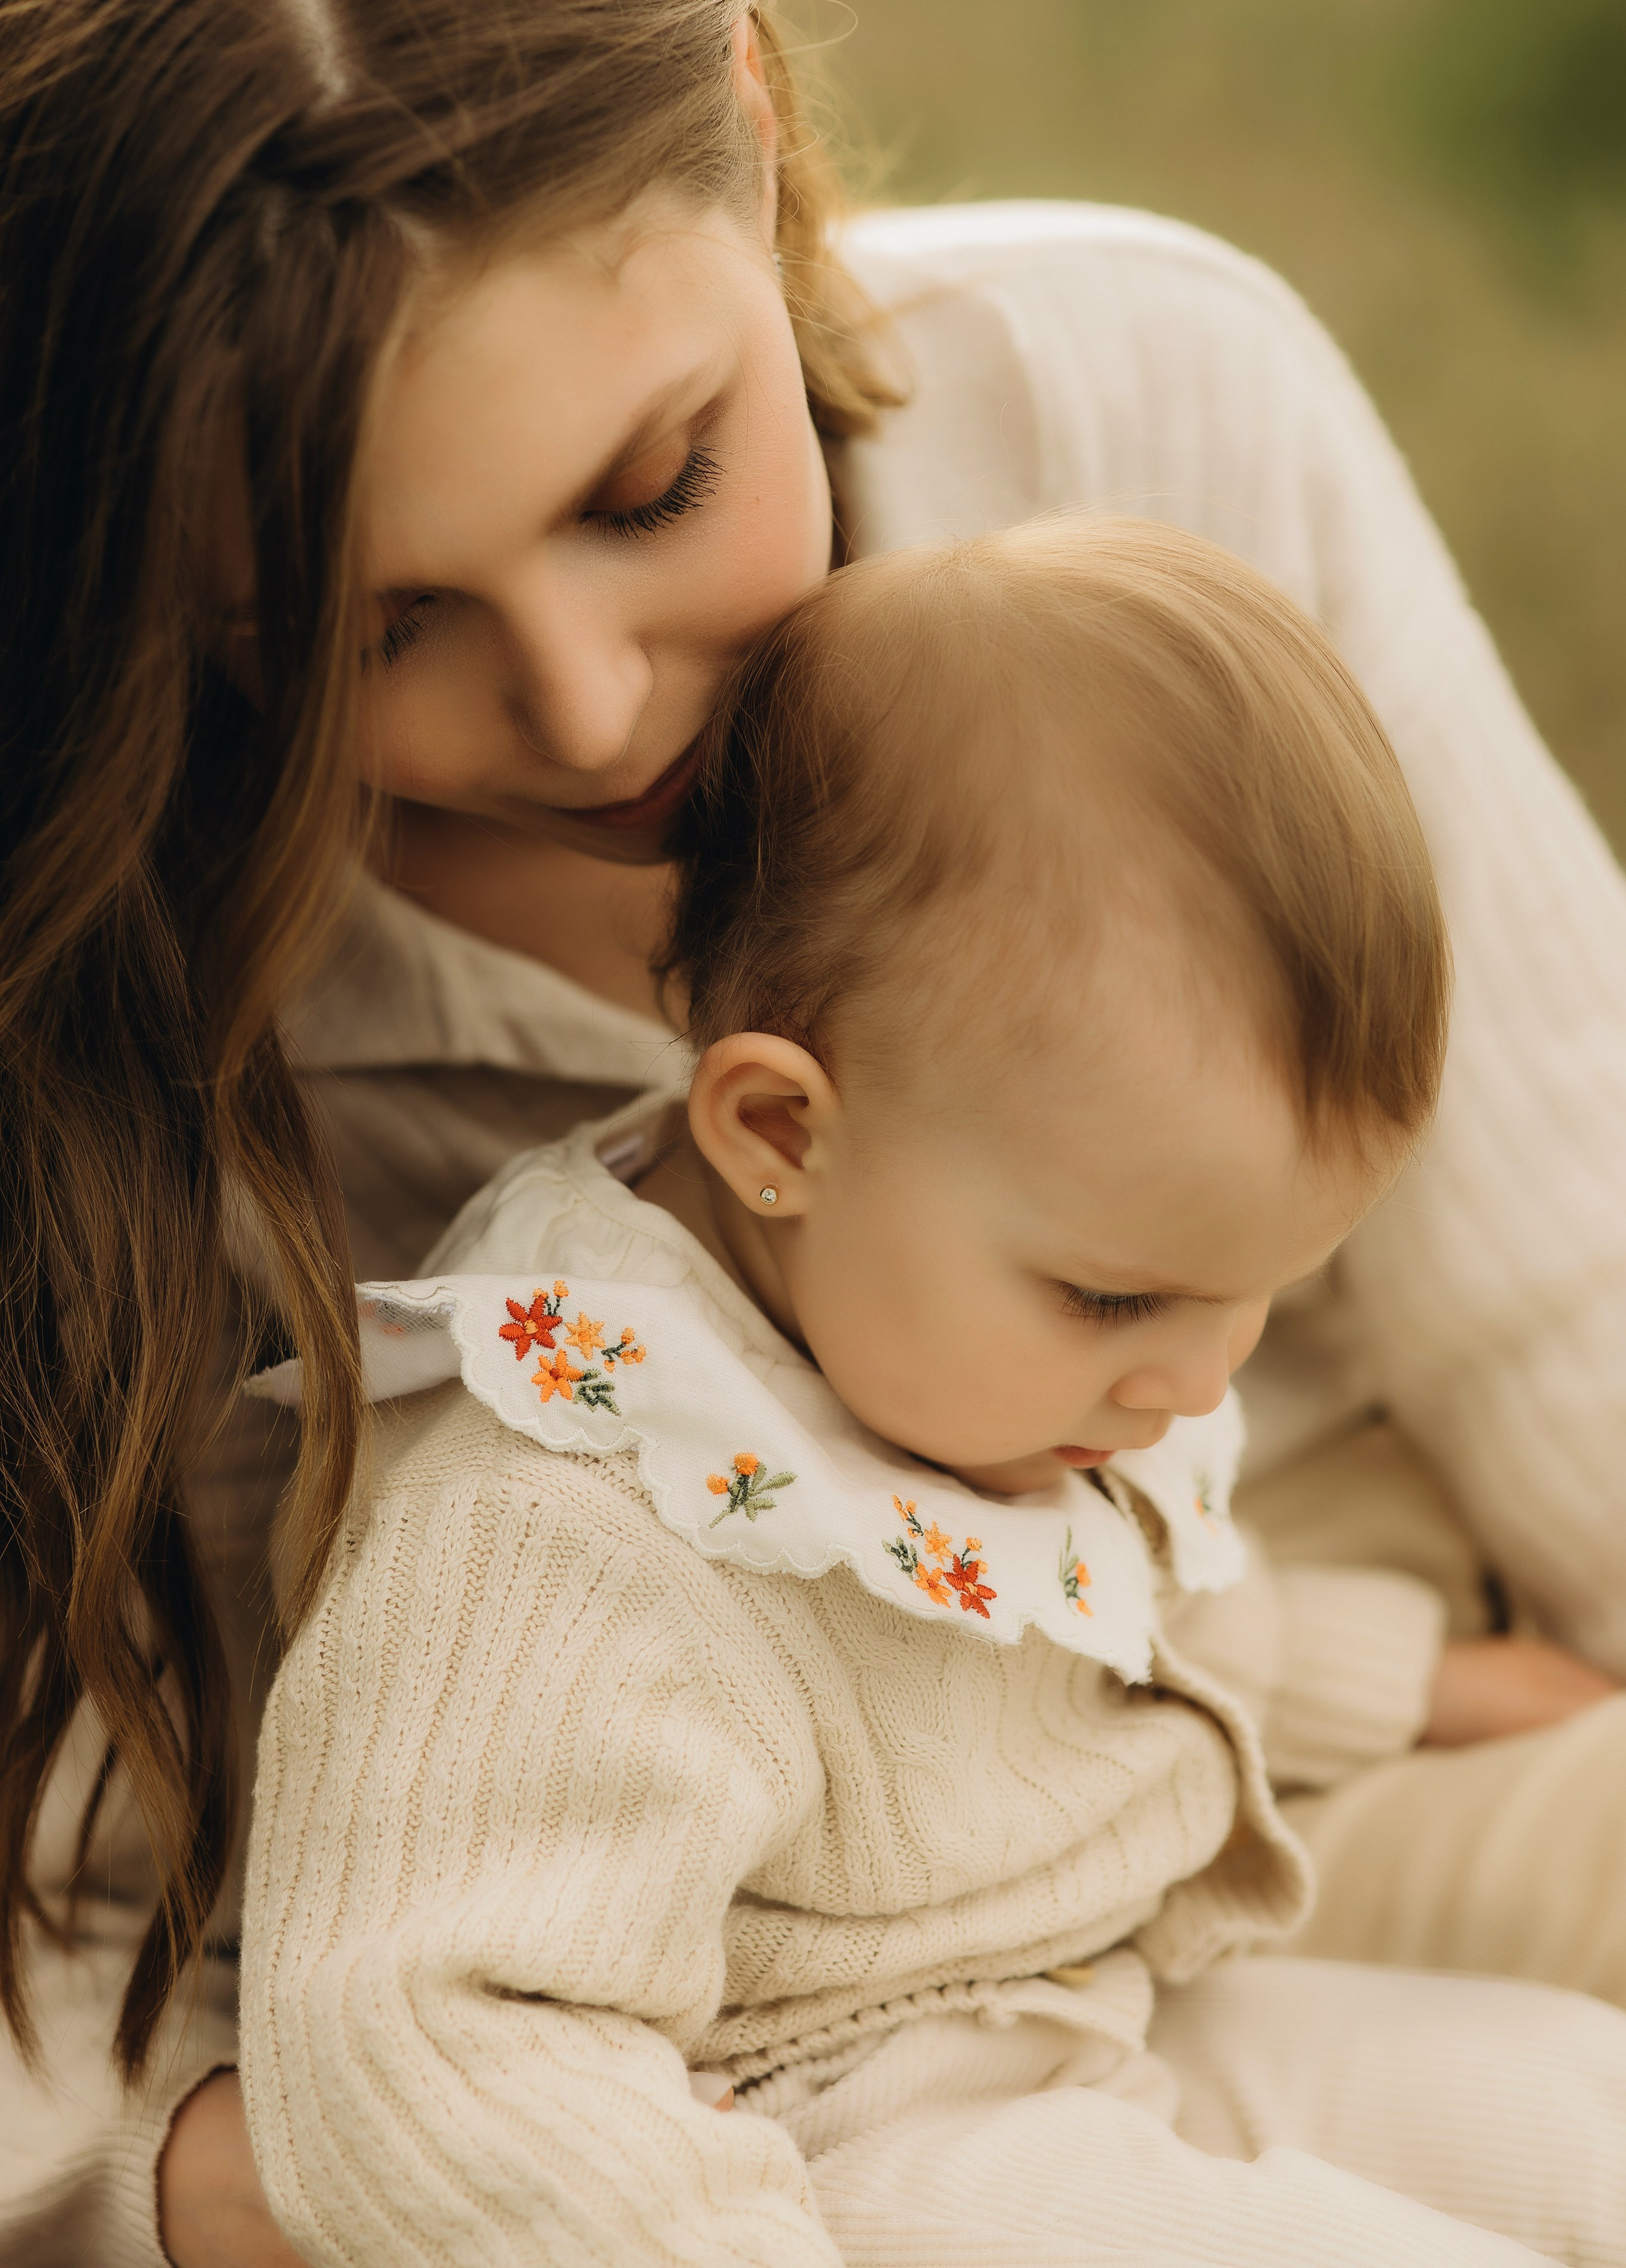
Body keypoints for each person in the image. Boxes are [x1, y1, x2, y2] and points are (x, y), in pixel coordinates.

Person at [2, 0, 1624, 2261]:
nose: (581, 704)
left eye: (655, 486)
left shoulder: (1128, 388)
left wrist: (1398, 1675)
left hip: (1169, 1731)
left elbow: (1566, 1291)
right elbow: (288, 2002)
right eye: (373, 631)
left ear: (753, 131)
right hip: (616, 2049)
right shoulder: (518, 1489)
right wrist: (223, 2195)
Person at [240, 518, 1626, 2267]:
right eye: (1122, 1292)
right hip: (837, 2151)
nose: (1199, 1375)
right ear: (781, 1133)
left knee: (1590, 2117)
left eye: (1262, 1287)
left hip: (1086, 2013)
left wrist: (1388, 1674)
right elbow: (429, 2047)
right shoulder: (555, 1525)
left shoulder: (961, 1326)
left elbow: (1069, 1633)